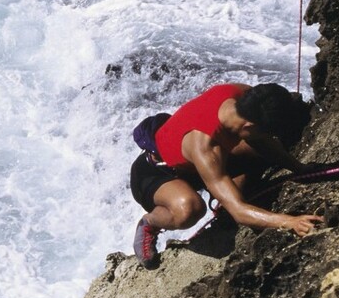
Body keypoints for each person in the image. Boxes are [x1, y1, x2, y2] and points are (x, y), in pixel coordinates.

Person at [130, 83, 323, 269]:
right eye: (264, 131)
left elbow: (262, 142)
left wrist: (299, 168)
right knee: (190, 209)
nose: (268, 135)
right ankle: (150, 223)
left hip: (197, 163)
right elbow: (239, 212)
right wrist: (290, 222)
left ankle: (225, 197)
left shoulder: (242, 94)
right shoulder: (205, 146)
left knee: (259, 151)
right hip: (157, 173)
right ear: (249, 125)